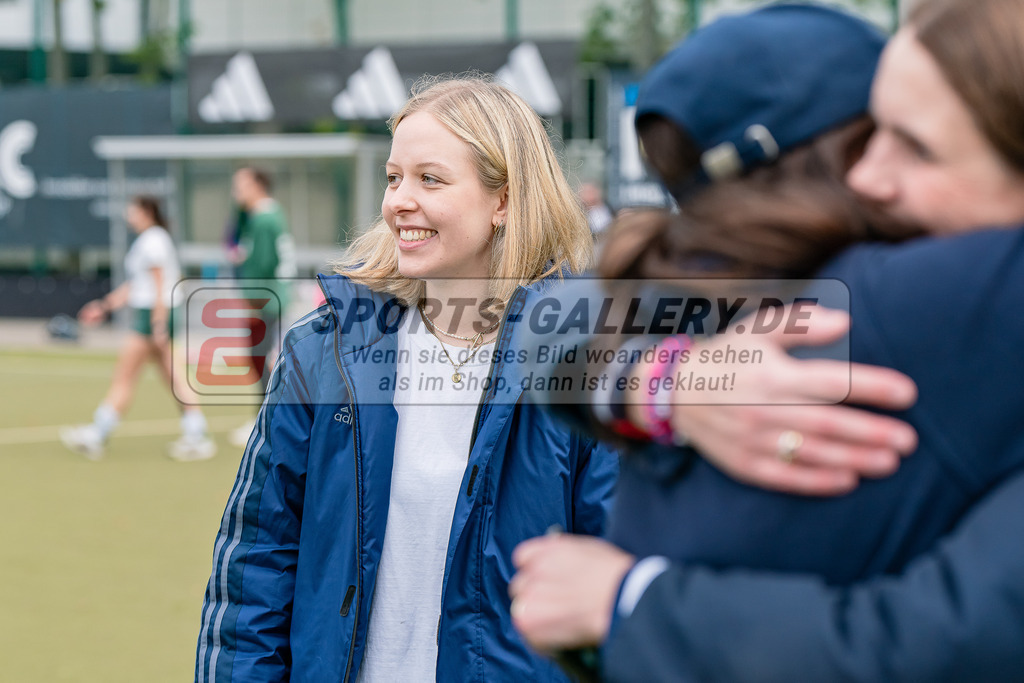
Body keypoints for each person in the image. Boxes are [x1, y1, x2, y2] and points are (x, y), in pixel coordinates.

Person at [510, 1, 1024, 679]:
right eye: (876, 132)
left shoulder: (701, 295)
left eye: (916, 143)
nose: (873, 173)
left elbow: (546, 327)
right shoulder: (910, 301)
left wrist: (659, 384)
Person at [194, 76, 618, 682]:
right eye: (394, 178)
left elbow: (625, 588)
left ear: (504, 201)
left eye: (430, 179)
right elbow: (257, 567)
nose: (398, 201)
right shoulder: (324, 351)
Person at [60, 195, 216, 462]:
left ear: (146, 212)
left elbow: (159, 286)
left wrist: (157, 323)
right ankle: (196, 435)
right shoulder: (149, 240)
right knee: (173, 377)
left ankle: (98, 433)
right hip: (153, 315)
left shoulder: (154, 240)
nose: (128, 216)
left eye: (132, 211)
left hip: (152, 317)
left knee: (126, 375)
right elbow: (135, 284)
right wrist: (104, 306)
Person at [225, 166, 296, 446]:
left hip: (267, 300)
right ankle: (266, 419)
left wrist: (251, 300)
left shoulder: (264, 220)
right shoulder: (262, 216)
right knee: (259, 358)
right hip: (271, 297)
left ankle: (267, 421)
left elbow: (262, 264)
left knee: (260, 358)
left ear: (257, 186)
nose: (236, 192)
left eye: (240, 185)